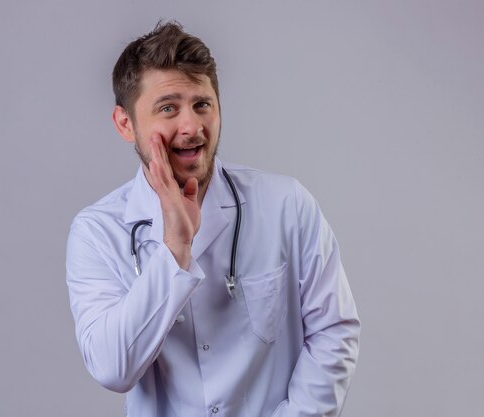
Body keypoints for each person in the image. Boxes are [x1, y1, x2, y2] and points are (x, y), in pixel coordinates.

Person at [66, 21, 360, 417]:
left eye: (202, 104)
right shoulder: (97, 232)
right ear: (125, 123)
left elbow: (334, 331)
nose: (192, 126)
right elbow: (114, 368)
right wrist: (175, 249)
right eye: (168, 108)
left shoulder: (286, 204)